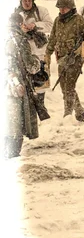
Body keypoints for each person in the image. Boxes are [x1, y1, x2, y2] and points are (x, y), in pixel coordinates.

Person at [45, 0, 84, 121]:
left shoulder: (81, 21)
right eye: (60, 8)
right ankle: (80, 111)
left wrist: (80, 50)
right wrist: (47, 53)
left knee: (69, 87)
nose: (62, 10)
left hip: (75, 59)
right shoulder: (57, 21)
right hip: (62, 58)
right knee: (64, 86)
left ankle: (68, 114)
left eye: (64, 8)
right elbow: (53, 38)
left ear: (71, 8)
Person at [4, 12, 42, 158]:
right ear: (20, 24)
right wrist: (37, 63)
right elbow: (30, 66)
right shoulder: (20, 40)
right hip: (16, 85)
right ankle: (12, 155)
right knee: (16, 122)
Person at [14, 0, 52, 110]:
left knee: (41, 78)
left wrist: (36, 25)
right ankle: (28, 104)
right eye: (25, 1)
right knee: (25, 78)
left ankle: (41, 105)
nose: (27, 3)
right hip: (24, 50)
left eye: (29, 0)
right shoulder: (15, 14)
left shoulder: (41, 11)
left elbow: (50, 25)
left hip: (39, 50)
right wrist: (21, 29)